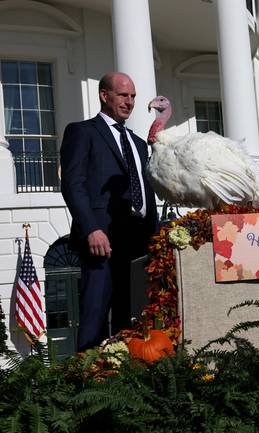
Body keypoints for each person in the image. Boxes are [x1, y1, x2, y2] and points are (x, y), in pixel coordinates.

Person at [60, 72, 157, 351]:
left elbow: (145, 191)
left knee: (133, 318)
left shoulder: (139, 144)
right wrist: (91, 227)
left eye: (133, 96)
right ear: (105, 95)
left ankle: (126, 382)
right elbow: (73, 184)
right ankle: (91, 382)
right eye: (123, 95)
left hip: (137, 242)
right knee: (95, 316)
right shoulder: (83, 132)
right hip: (101, 240)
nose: (129, 102)